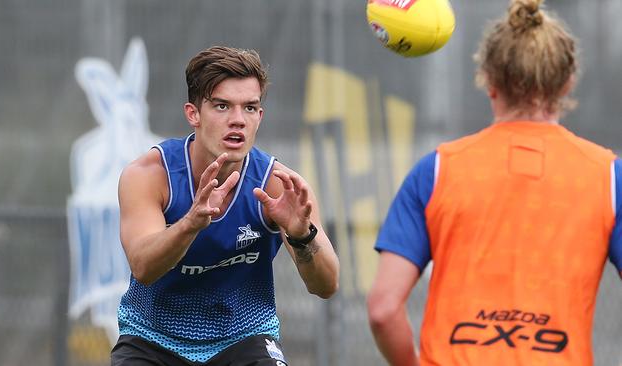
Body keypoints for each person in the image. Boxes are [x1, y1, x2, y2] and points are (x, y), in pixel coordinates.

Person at [366, 0, 622, 365]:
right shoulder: (608, 178)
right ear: (567, 83)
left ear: (489, 80)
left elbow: (383, 308)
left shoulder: (437, 170)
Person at [111, 46, 339, 366]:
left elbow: (326, 286)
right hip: (153, 340)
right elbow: (143, 268)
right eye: (222, 106)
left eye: (249, 108)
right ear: (193, 114)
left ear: (259, 117)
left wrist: (303, 235)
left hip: (244, 337)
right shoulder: (150, 176)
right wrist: (192, 222)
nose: (237, 120)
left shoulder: (278, 185)